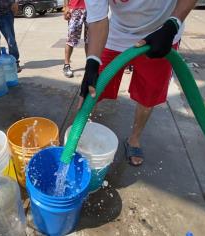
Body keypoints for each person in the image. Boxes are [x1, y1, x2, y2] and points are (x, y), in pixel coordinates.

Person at [79, 0, 197, 166]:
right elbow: (98, 20)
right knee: (93, 88)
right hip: (116, 33)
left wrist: (173, 24)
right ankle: (82, 132)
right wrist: (92, 62)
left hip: (162, 32)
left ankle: (134, 138)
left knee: (148, 96)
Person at [63, 0, 88, 78]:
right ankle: (66, 65)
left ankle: (89, 65)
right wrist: (66, 6)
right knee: (71, 39)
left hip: (91, 9)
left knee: (90, 40)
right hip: (75, 9)